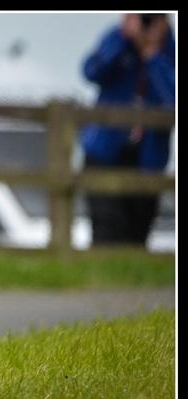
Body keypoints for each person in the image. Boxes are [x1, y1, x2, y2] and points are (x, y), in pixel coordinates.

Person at [80, 13, 175, 246]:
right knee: (106, 229)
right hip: (104, 154)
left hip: (147, 160)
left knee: (137, 235)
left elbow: (172, 99)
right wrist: (123, 37)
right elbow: (92, 71)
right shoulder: (117, 40)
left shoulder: (169, 51)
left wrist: (153, 56)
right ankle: (101, 281)